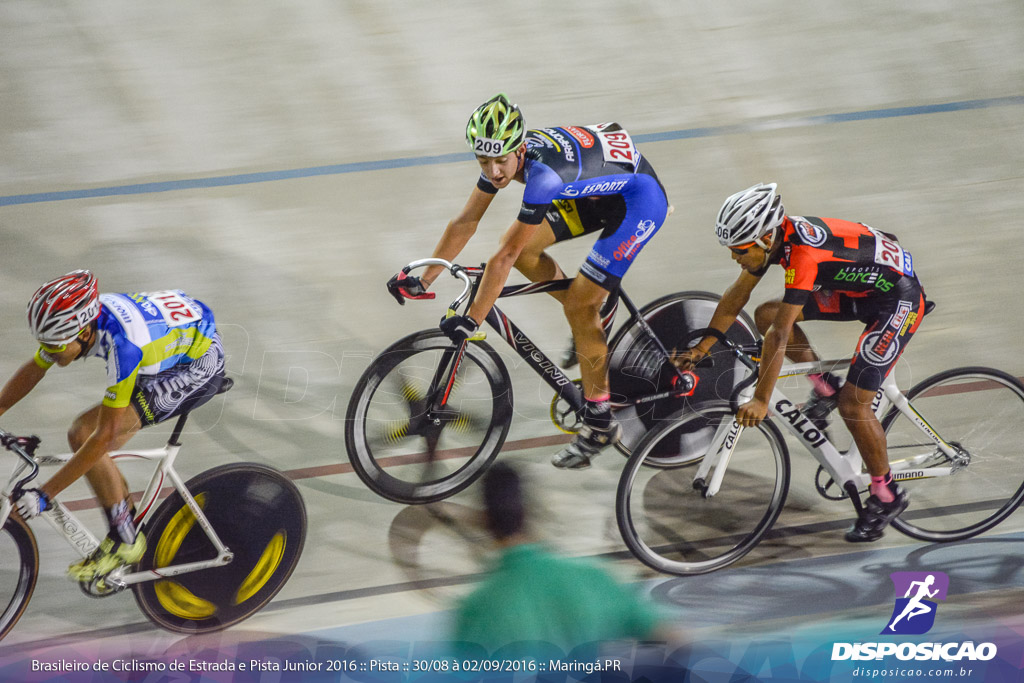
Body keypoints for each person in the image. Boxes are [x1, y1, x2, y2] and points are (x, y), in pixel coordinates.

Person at [387, 93, 671, 470]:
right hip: (596, 188)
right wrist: (425, 277)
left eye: (500, 161)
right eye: (482, 161)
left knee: (577, 305)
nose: (493, 172)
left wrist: (471, 320)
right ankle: (596, 313)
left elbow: (500, 256)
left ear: (519, 149)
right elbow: (465, 222)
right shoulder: (505, 158)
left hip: (638, 201)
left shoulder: (543, 177)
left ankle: (601, 424)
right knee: (529, 258)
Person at [674, 183, 926, 542]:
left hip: (897, 301)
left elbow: (780, 334)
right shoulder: (777, 239)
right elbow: (738, 296)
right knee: (765, 312)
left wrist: (762, 399)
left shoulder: (804, 255)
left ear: (764, 238)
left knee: (854, 404)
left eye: (739, 250)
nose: (734, 257)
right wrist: (704, 346)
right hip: (861, 287)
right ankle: (824, 388)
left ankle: (886, 495)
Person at [1, 270, 225, 581]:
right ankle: (125, 521)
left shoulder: (124, 347)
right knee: (92, 448)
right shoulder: (80, 323)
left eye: (54, 345)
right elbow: (35, 369)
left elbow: (102, 437)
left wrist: (44, 494)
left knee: (85, 435)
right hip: (171, 344)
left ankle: (125, 539)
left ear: (82, 332)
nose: (48, 351)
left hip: (196, 367)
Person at [452, 462, 670, 653]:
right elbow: (669, 637)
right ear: (530, 512)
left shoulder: (478, 608)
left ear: (484, 520)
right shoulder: (591, 577)